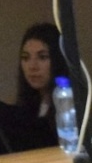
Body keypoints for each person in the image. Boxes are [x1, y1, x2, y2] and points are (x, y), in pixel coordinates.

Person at [10, 21, 72, 149]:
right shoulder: (24, 107)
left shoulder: (73, 105)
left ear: (58, 60)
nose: (32, 66)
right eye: (26, 58)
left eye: (43, 57)